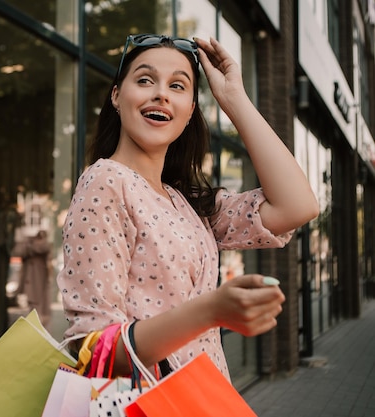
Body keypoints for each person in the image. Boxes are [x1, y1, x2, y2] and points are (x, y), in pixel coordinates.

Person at [56, 34, 319, 380]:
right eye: (145, 80)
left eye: (178, 86)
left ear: (190, 110)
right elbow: (94, 350)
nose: (161, 93)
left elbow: (298, 205)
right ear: (117, 96)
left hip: (205, 400)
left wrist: (234, 99)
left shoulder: (186, 202)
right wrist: (210, 310)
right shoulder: (106, 181)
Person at [13, 230, 52, 327]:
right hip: (30, 279)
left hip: (39, 279)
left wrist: (29, 244)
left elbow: (42, 247)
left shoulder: (41, 245)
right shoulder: (28, 245)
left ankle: (38, 324)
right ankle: (36, 324)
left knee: (39, 305)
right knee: (33, 304)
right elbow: (18, 251)